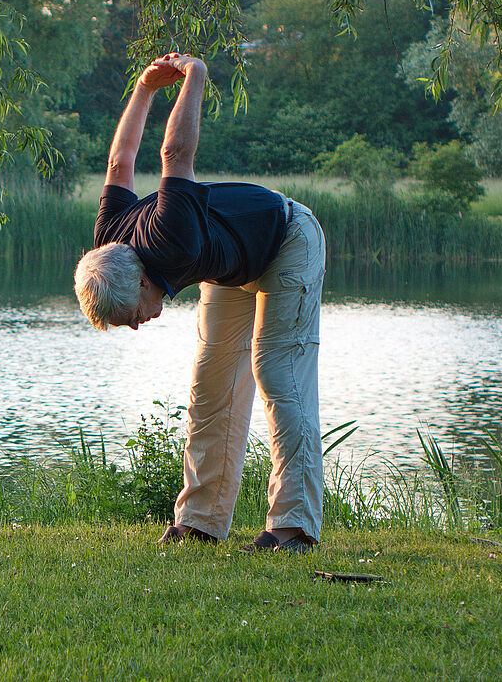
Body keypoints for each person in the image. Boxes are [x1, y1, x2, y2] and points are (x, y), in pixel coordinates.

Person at [73, 53, 326, 553]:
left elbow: (174, 154)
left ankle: (293, 527)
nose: (138, 326)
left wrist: (196, 77)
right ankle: (200, 521)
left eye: (131, 318)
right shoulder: (109, 239)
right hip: (230, 264)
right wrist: (143, 89)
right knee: (211, 385)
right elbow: (119, 162)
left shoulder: (172, 240)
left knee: (276, 372)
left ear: (142, 283)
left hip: (288, 239)